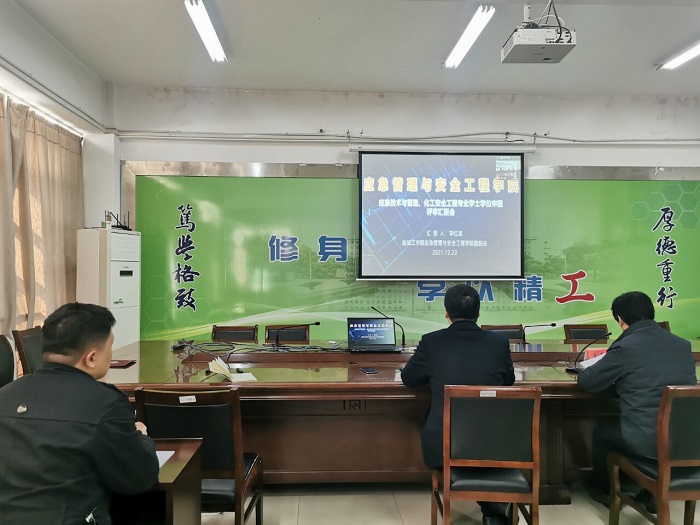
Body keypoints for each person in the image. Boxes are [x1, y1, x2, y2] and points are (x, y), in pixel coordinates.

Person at [0, 303, 160, 525]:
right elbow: (139, 478)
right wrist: (141, 437)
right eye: (110, 347)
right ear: (91, 357)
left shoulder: (5, 395)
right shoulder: (106, 404)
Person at [401, 284, 516, 525]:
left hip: (444, 448)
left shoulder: (432, 342)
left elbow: (410, 379)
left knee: (435, 415)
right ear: (478, 312)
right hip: (496, 445)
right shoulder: (499, 343)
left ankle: (488, 502)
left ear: (446, 312)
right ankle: (493, 505)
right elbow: (508, 381)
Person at [576, 291, 696, 511]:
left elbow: (587, 382)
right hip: (686, 440)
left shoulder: (626, 347)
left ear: (620, 319)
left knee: (602, 433)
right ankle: (648, 492)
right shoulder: (682, 345)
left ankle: (604, 491)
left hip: (649, 441)